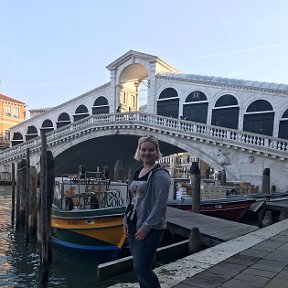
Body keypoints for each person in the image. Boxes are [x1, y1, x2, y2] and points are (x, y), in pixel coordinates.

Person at [123, 135, 171, 288]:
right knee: (140, 268)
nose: (146, 153)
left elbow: (160, 204)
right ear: (139, 151)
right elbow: (131, 198)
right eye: (143, 149)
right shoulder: (139, 171)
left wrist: (147, 226)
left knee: (141, 268)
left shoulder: (160, 175)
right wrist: (125, 220)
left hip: (149, 227)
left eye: (151, 150)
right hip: (132, 224)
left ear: (156, 152)